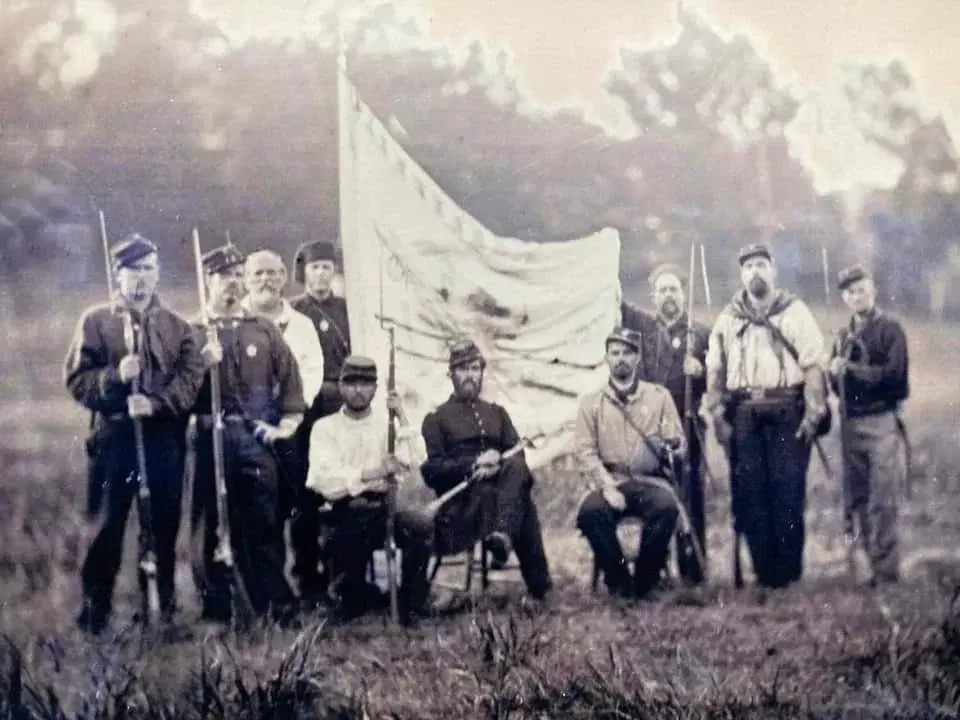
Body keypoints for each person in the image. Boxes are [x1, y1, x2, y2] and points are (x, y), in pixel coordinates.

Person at [65, 233, 205, 634]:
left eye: (148, 269)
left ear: (158, 274)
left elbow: (190, 379)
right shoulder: (96, 321)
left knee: (162, 525)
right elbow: (77, 380)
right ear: (118, 275)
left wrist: (157, 404)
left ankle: (161, 611)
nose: (141, 279)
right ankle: (95, 613)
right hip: (115, 440)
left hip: (163, 441)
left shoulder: (178, 328)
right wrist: (113, 378)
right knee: (108, 526)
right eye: (133, 270)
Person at [189, 242, 304, 627]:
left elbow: (290, 383)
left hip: (254, 441)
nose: (233, 284)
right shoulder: (193, 332)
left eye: (239, 276)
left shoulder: (263, 330)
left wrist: (284, 424)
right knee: (210, 525)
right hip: (208, 439)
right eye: (225, 277)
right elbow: (177, 393)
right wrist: (200, 367)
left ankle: (274, 605)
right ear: (208, 281)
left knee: (264, 520)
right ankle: (218, 609)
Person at [703, 243, 828, 591]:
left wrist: (813, 412)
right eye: (748, 267)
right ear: (742, 275)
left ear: (773, 271)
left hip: (787, 409)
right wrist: (717, 415)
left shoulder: (795, 311)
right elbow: (715, 370)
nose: (755, 272)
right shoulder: (729, 318)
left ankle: (787, 576)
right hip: (743, 414)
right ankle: (762, 573)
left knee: (787, 491)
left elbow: (814, 365)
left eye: (761, 265)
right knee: (750, 495)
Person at [420, 340, 552, 601]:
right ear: (451, 374)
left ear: (482, 372)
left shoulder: (497, 413)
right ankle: (539, 588)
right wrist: (474, 464)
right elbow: (433, 470)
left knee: (515, 466)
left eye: (475, 368)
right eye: (462, 369)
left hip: (498, 494)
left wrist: (496, 464)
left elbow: (518, 459)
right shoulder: (436, 418)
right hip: (463, 505)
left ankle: (502, 536)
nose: (470, 375)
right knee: (522, 504)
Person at [304, 356, 433, 624]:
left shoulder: (385, 425)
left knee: (420, 525)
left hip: (383, 508)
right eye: (351, 383)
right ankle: (354, 596)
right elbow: (322, 479)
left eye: (365, 384)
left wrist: (401, 415)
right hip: (342, 510)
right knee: (354, 517)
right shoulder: (325, 428)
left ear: (375, 389)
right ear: (340, 386)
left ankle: (410, 602)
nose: (358, 390)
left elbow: (417, 458)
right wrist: (372, 473)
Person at [574, 326, 686, 599]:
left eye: (627, 353)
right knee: (590, 513)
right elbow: (585, 452)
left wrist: (673, 446)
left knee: (666, 508)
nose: (621, 358)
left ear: (637, 358)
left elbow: (679, 444)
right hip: (610, 480)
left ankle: (647, 580)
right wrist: (607, 485)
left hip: (649, 481)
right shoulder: (591, 403)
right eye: (615, 353)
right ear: (607, 358)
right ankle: (619, 581)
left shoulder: (659, 397)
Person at [621, 262, 711, 584]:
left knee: (689, 494)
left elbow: (718, 378)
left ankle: (692, 570)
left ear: (684, 295)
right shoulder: (642, 330)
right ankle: (655, 567)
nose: (668, 296)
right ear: (653, 296)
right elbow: (617, 302)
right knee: (655, 495)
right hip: (649, 429)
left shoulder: (700, 333)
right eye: (662, 290)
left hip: (687, 425)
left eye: (674, 289)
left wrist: (700, 371)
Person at [240, 248, 325, 580]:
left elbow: (313, 369)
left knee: (300, 501)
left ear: (284, 278)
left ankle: (307, 576)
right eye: (258, 274)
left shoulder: (301, 325)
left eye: (273, 273)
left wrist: (294, 410)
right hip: (249, 430)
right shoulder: (236, 321)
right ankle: (262, 582)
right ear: (246, 280)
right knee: (258, 507)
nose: (265, 280)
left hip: (292, 426)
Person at [828, 263, 909, 586]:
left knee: (883, 498)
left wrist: (851, 369)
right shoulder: (843, 335)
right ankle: (861, 566)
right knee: (855, 497)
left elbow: (895, 378)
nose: (857, 295)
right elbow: (838, 388)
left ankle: (886, 570)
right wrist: (835, 373)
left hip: (881, 423)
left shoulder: (891, 329)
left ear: (872, 290)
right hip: (850, 424)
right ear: (844, 298)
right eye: (850, 291)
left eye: (861, 289)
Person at [289, 239, 352, 603]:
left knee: (343, 489)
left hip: (343, 407)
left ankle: (341, 575)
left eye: (327, 267)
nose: (322, 274)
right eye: (315, 268)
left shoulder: (348, 310)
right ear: (304, 273)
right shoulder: (293, 313)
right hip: (308, 409)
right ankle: (306, 578)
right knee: (307, 494)